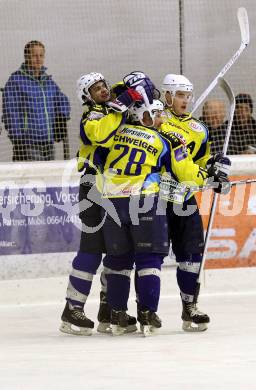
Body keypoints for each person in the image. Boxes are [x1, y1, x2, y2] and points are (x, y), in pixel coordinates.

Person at [98, 98, 220, 336]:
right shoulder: (164, 140)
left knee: (118, 261)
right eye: (156, 114)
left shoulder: (115, 132)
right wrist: (210, 176)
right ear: (145, 114)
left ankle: (115, 315)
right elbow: (187, 173)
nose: (161, 119)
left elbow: (100, 159)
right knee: (149, 260)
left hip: (112, 201)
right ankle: (146, 313)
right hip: (146, 200)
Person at [59, 71, 153, 336]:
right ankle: (72, 308)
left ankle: (108, 309)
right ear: (85, 97)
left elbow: (138, 96)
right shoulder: (93, 116)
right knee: (91, 249)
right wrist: (121, 102)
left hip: (117, 189)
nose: (101, 89)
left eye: (103, 85)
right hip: (93, 188)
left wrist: (136, 85)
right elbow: (101, 135)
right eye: (94, 89)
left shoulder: (114, 108)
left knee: (118, 250)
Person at [160, 74, 231, 331]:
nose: (186, 100)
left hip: (184, 198)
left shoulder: (199, 129)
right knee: (148, 257)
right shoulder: (155, 120)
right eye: (180, 95)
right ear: (167, 95)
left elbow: (202, 162)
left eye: (188, 95)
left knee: (191, 255)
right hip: (154, 198)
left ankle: (190, 307)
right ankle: (142, 309)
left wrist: (214, 167)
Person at [2, 40, 71, 161]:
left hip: (48, 141)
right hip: (28, 142)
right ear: (26, 57)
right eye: (34, 55)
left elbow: (62, 99)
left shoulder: (47, 81)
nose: (38, 59)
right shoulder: (16, 81)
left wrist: (61, 116)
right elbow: (10, 112)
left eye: (41, 55)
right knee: (34, 178)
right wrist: (17, 139)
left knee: (48, 177)